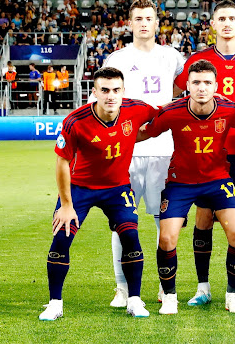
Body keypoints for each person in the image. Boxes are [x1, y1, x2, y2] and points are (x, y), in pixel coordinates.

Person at [39, 67, 157, 321]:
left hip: (117, 188)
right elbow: (61, 163)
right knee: (62, 235)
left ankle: (134, 300)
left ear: (123, 91)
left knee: (131, 236)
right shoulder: (75, 121)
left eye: (116, 90)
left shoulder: (136, 108)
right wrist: (66, 205)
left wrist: (140, 135)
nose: (110, 96)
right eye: (104, 90)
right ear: (94, 92)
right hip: (79, 188)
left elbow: (163, 115)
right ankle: (54, 303)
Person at [174, 0, 235, 306]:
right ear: (212, 25)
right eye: (221, 18)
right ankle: (203, 288)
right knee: (203, 217)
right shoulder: (198, 60)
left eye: (232, 18)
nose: (227, 23)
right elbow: (179, 97)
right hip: (207, 152)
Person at [139, 59, 235, 314]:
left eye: (207, 83)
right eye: (196, 82)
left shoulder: (229, 109)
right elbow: (145, 132)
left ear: (216, 86)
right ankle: (169, 297)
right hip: (181, 182)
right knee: (166, 238)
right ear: (187, 85)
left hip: (218, 179)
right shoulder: (172, 111)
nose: (202, 87)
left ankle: (232, 295)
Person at [102, 0, 186, 308]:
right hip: (126, 150)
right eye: (137, 18)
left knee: (163, 221)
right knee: (122, 221)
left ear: (156, 22)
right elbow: (108, 97)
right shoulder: (117, 57)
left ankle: (166, 288)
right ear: (129, 23)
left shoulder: (171, 56)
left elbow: (179, 88)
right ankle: (122, 289)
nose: (143, 23)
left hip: (164, 150)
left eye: (148, 18)